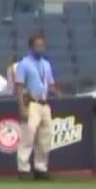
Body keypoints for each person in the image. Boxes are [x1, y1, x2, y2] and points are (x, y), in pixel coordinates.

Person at [12, 33, 60, 181]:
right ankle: (23, 169)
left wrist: (57, 92)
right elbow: (19, 86)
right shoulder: (23, 64)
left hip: (44, 104)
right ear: (31, 47)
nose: (41, 48)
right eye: (38, 46)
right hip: (31, 103)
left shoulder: (46, 64)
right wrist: (22, 107)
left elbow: (50, 84)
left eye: (43, 45)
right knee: (28, 137)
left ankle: (41, 168)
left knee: (45, 138)